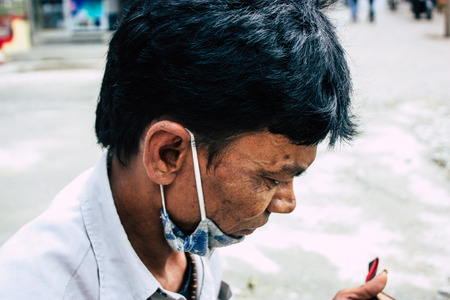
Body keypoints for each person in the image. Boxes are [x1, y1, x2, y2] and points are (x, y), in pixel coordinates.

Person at [0, 0, 388, 299]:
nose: (286, 203)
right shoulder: (39, 286)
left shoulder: (182, 224)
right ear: (168, 153)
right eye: (271, 178)